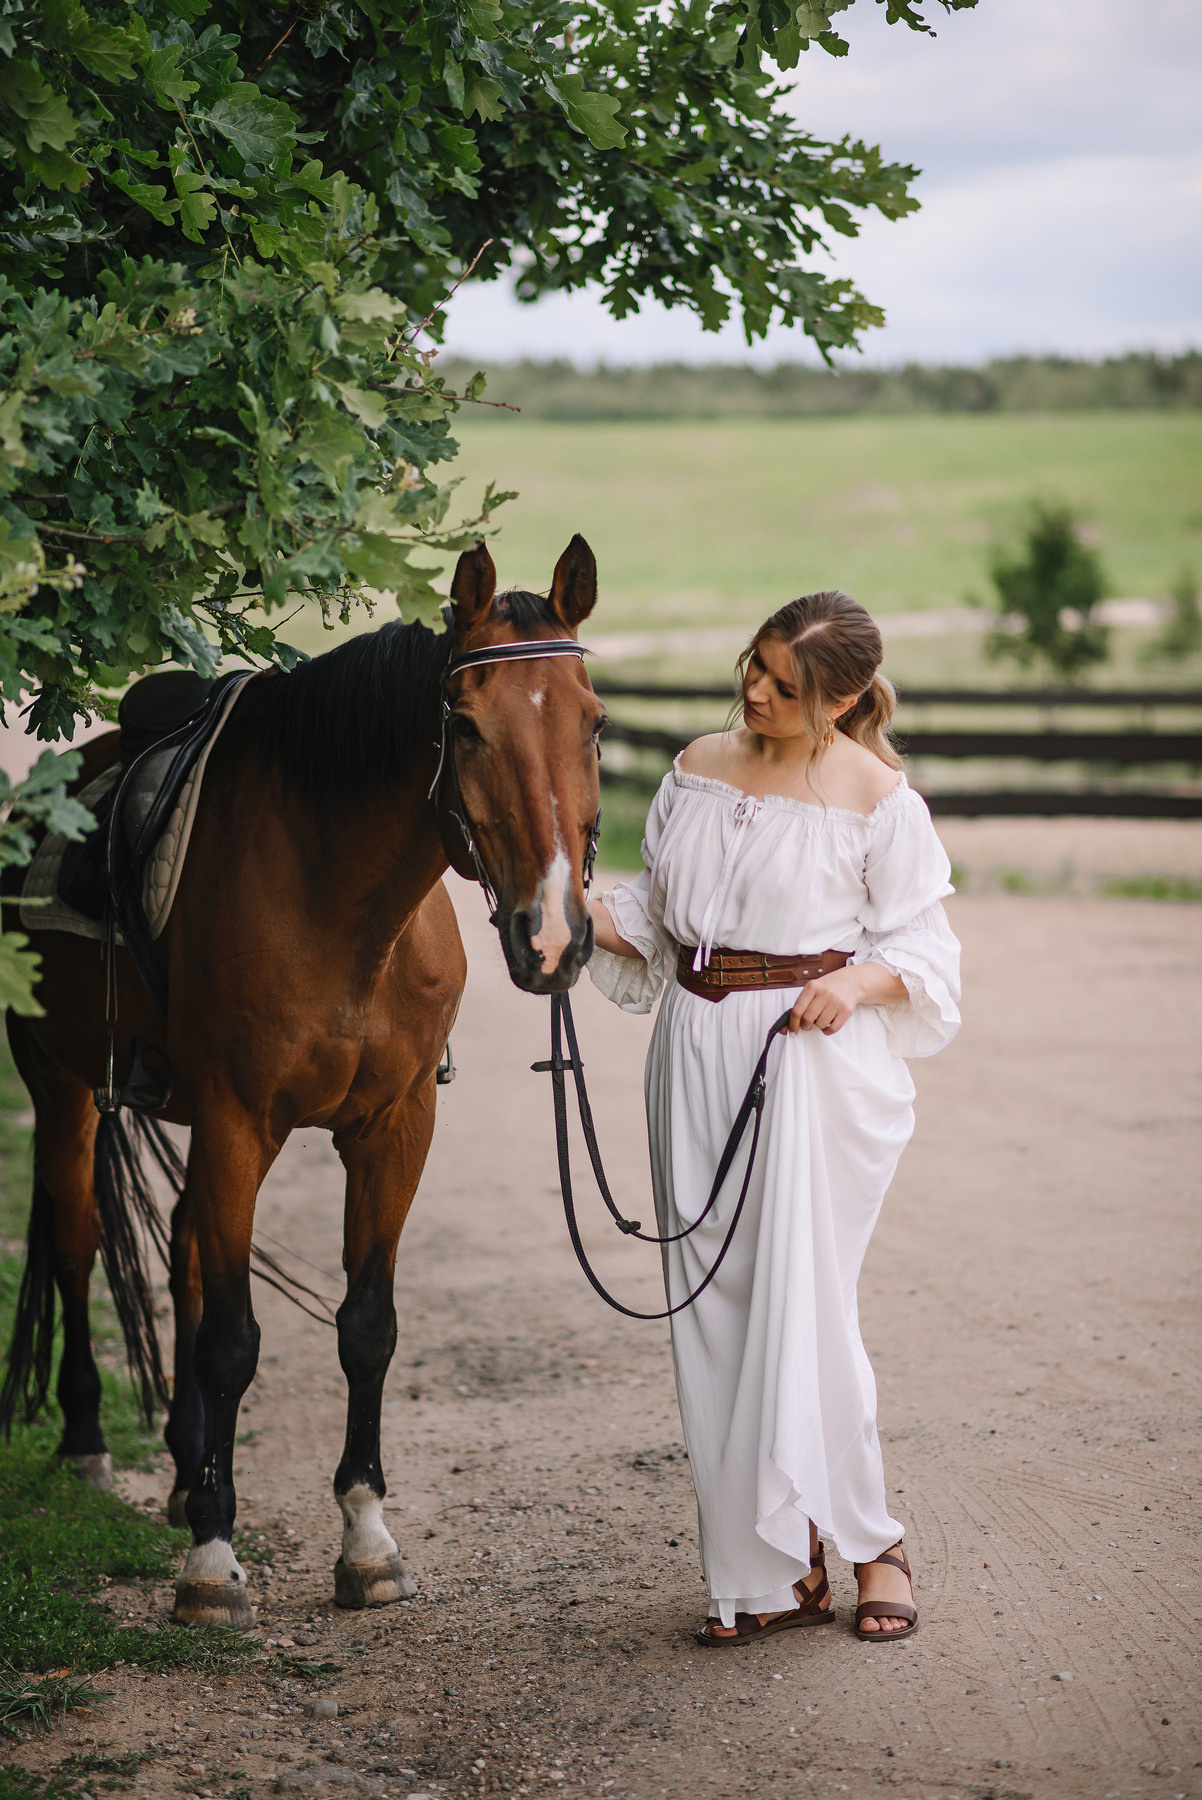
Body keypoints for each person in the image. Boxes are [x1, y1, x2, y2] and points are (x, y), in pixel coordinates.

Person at [586, 590, 961, 1646]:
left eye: (781, 686)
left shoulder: (877, 796)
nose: (753, 691)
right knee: (708, 1308)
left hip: (807, 1058)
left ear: (837, 703)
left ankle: (870, 1542)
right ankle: (763, 1565)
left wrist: (857, 984)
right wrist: (572, 918)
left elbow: (925, 953)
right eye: (750, 666)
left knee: (802, 1305)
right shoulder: (697, 766)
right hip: (695, 1050)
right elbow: (660, 920)